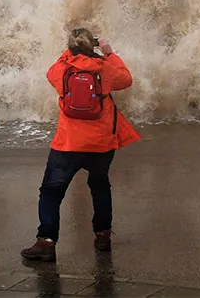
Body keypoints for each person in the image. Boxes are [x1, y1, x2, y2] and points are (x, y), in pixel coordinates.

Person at [20, 27, 141, 263]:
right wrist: (108, 52)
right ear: (91, 45)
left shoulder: (62, 69)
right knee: (99, 185)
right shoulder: (104, 69)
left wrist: (70, 52)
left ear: (71, 47)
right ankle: (103, 235)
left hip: (68, 144)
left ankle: (46, 242)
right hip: (101, 144)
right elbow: (126, 79)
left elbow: (50, 72)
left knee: (51, 192)